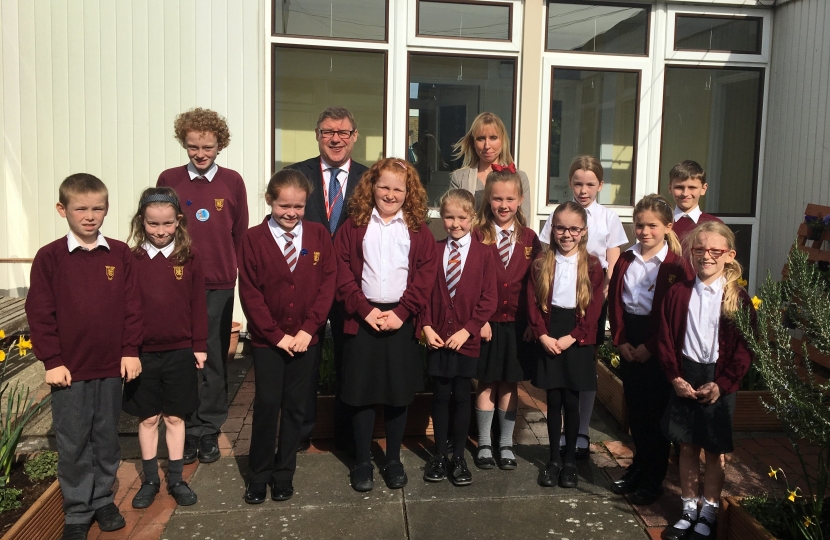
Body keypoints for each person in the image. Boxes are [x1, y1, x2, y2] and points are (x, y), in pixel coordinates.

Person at [26, 174, 142, 540]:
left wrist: (129, 350)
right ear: (63, 210)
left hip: (111, 366)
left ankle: (103, 500)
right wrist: (52, 360)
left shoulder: (120, 254)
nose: (89, 216)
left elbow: (133, 307)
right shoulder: (50, 257)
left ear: (107, 210)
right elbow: (40, 312)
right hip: (69, 371)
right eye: (81, 209)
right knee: (74, 439)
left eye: (98, 208)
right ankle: (77, 510)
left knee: (106, 436)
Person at [334, 158, 438, 492]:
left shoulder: (418, 229)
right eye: (384, 187)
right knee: (362, 394)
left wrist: (403, 312)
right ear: (371, 188)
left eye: (398, 188)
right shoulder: (354, 225)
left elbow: (425, 276)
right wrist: (364, 310)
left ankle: (393, 459)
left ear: (409, 192)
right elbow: (341, 271)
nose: (390, 194)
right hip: (362, 319)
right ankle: (363, 460)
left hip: (400, 320)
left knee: (397, 394)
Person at [157, 108, 249, 465]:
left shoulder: (232, 181)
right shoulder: (169, 179)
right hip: (178, 282)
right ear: (184, 143)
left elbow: (240, 234)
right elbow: (160, 228)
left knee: (212, 357)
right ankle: (187, 425)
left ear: (220, 145)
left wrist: (243, 278)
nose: (200, 153)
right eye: (193, 146)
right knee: (183, 357)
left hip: (220, 283)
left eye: (207, 146)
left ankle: (208, 429)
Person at [238, 169, 336, 504]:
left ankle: (284, 474)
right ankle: (259, 474)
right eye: (283, 206)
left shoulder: (320, 235)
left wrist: (309, 329)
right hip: (269, 342)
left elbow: (327, 286)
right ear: (269, 200)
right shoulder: (252, 239)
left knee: (296, 407)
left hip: (307, 340)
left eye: (298, 206)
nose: (291, 213)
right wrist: (277, 336)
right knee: (267, 405)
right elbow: (251, 293)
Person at [658, 222, 755, 540]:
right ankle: (688, 510)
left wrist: (723, 384)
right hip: (686, 375)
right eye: (699, 249)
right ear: (691, 252)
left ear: (730, 255)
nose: (706, 256)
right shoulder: (679, 292)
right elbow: (666, 338)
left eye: (715, 250)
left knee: (714, 451)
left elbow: (745, 350)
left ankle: (708, 513)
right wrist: (674, 376)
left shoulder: (738, 299)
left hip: (718, 380)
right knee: (687, 446)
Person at [286, 106, 369, 452]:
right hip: (309, 283)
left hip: (354, 284)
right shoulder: (295, 175)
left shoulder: (369, 179)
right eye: (328, 132)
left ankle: (346, 434)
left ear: (355, 136)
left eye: (343, 132)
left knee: (350, 360)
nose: (336, 138)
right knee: (305, 358)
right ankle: (301, 432)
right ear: (317, 135)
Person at [124, 187, 207, 510]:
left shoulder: (190, 257)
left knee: (175, 417)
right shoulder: (131, 259)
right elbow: (125, 309)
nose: (161, 231)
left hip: (180, 352)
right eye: (153, 225)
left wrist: (198, 345)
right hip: (142, 354)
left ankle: (176, 478)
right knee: (147, 419)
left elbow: (198, 306)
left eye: (167, 224)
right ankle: (149, 479)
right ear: (141, 222)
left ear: (179, 222)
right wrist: (127, 350)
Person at [539, 155, 627, 459]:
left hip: (592, 301)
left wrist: (601, 294)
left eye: (590, 184)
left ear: (600, 185)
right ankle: (560, 431)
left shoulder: (608, 218)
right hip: (560, 302)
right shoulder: (559, 214)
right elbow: (544, 256)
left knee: (584, 369)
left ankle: (581, 430)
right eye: (578, 183)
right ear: (570, 183)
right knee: (560, 369)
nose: (583, 189)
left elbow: (613, 262)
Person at [607, 194, 692, 506]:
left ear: (668, 227)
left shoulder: (676, 266)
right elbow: (616, 304)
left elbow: (676, 314)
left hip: (659, 344)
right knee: (637, 412)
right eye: (639, 225)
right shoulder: (627, 259)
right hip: (631, 338)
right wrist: (620, 339)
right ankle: (639, 466)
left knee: (656, 415)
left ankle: (653, 478)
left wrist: (651, 347)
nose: (644, 231)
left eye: (652, 226)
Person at [420, 189, 497, 486]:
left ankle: (459, 458)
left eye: (462, 217)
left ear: (473, 218)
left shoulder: (484, 253)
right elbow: (423, 294)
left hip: (467, 340)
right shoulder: (435, 250)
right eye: (449, 217)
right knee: (440, 396)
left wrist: (468, 330)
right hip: (438, 338)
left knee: (462, 396)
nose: (455, 223)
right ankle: (439, 455)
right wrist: (427, 327)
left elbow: (489, 298)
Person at [527, 201, 604, 489]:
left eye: (574, 228)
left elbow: (595, 308)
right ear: (552, 229)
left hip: (576, 334)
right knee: (553, 400)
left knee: (572, 401)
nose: (566, 234)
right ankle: (553, 460)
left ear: (584, 231)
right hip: (550, 331)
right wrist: (542, 335)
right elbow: (532, 303)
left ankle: (570, 460)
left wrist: (574, 336)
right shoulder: (540, 263)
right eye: (560, 228)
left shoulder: (593, 266)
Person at [471, 167, 541, 472]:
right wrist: (478, 320)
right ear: (489, 200)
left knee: (510, 384)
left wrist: (532, 324)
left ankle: (506, 444)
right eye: (497, 198)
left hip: (517, 325)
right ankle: (485, 443)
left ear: (520, 200)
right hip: (487, 325)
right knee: (486, 382)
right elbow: (470, 282)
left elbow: (536, 285)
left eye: (510, 199)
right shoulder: (478, 234)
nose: (503, 205)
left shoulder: (529, 238)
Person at [450, 112, 531, 218]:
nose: (487, 145)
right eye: (481, 139)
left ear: (503, 140)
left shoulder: (520, 177)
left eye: (493, 138)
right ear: (473, 143)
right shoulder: (459, 178)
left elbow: (524, 222)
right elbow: (454, 219)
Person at [668, 160, 723, 243]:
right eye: (679, 187)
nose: (685, 193)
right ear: (670, 188)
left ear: (703, 189)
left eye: (692, 188)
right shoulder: (661, 222)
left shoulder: (715, 224)